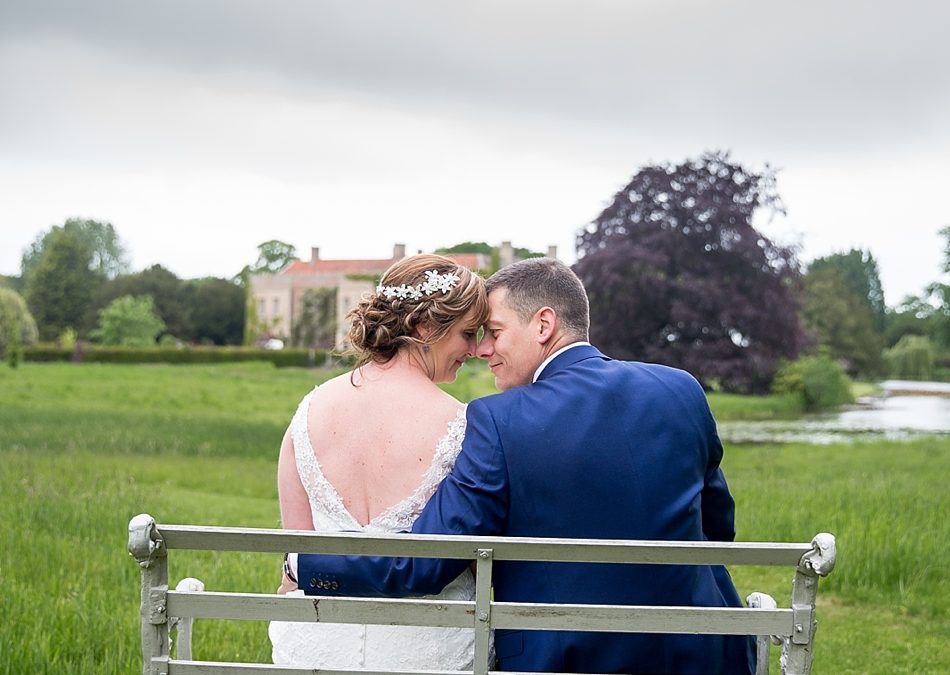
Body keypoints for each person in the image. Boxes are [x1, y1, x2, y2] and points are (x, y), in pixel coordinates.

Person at [290, 257, 756, 674]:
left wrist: (303, 564)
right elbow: (718, 527)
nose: (482, 350)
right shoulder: (680, 390)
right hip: (703, 652)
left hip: (558, 661)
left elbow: (425, 560)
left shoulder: (499, 421)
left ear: (543, 325)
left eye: (493, 332)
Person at [268, 253, 490, 669]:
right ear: (425, 327)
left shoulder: (308, 413)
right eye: (467, 333)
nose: (475, 349)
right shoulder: (463, 426)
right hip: (430, 652)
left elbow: (293, 563)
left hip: (315, 649)